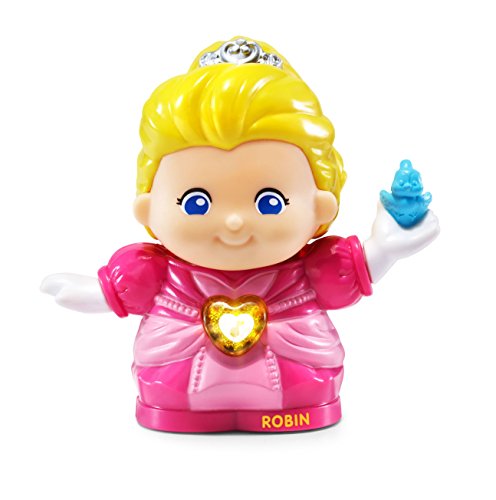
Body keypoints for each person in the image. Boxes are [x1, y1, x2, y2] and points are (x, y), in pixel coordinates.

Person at [42, 37, 439, 432]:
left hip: (298, 382)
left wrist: (384, 250)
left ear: (321, 207)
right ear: (149, 209)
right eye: (196, 203)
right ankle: (182, 410)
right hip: (174, 379)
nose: (234, 221)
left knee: (304, 381)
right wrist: (91, 292)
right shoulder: (158, 271)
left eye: (269, 202)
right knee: (170, 383)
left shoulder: (309, 268)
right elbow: (122, 289)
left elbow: (349, 274)